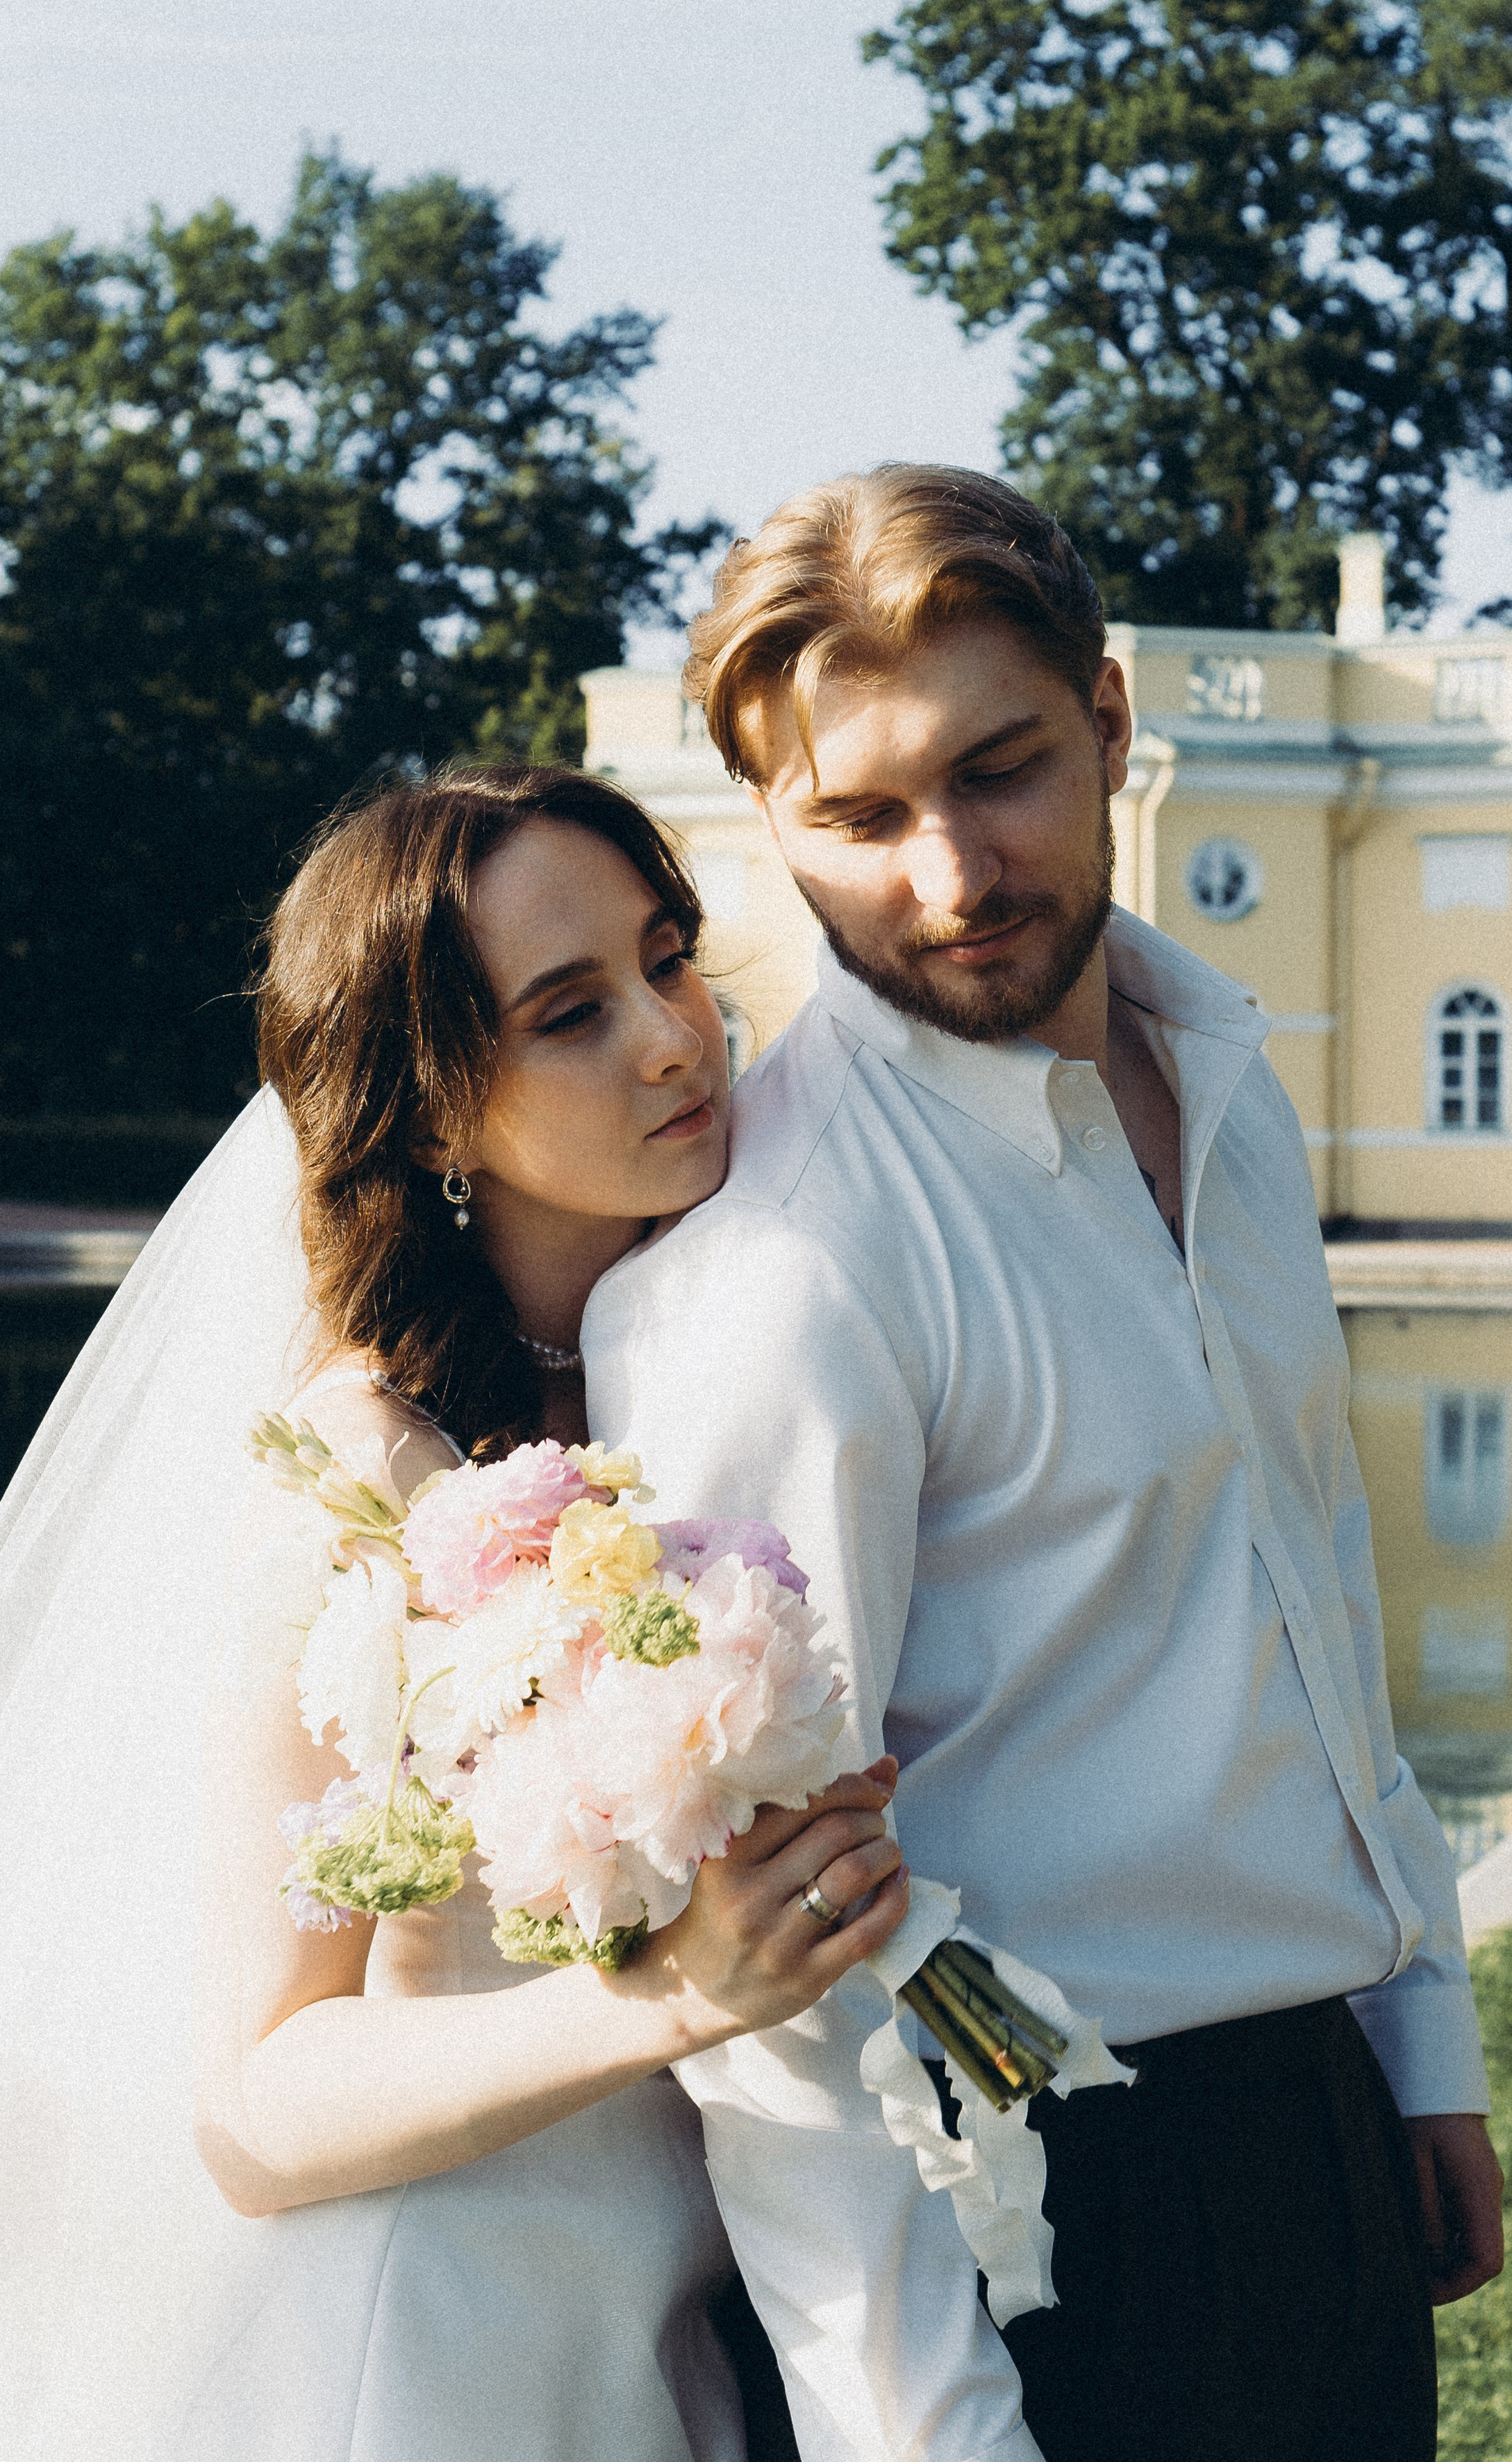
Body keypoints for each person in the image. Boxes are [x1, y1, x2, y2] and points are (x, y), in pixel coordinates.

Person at [581, 465, 1506, 2462]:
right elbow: (776, 1973)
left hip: (1316, 2131)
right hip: (1036, 2229)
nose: (948, 875)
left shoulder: (1225, 1086)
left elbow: (1322, 1602)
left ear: (1109, 723)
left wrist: (1417, 2040)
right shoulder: (786, 1272)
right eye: (857, 817)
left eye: (997, 771)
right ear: (772, 827)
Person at [0, 765, 908, 2462]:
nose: (674, 1037)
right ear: (426, 1116)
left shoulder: (693, 1383)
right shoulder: (348, 1487)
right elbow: (255, 2111)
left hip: (659, 2309)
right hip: (420, 2339)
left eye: (668, 956)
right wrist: (684, 1994)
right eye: (571, 1013)